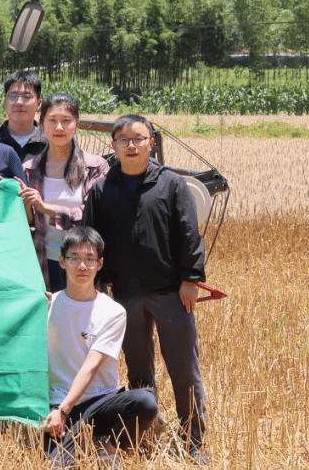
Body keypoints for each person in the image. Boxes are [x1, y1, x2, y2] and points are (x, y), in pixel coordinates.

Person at [83, 114, 209, 464]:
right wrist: (96, 287)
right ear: (113, 145)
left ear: (151, 143)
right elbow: (93, 239)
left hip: (171, 292)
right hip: (125, 295)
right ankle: (145, 436)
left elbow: (189, 233)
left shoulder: (172, 184)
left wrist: (190, 279)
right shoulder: (102, 189)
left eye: (138, 138)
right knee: (139, 374)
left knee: (184, 371)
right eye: (123, 140)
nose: (131, 145)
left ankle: (194, 441)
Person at [43, 227, 158, 468]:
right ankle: (86, 441)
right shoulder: (48, 306)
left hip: (102, 401)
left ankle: (108, 444)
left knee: (145, 402)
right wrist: (60, 411)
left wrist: (63, 410)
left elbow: (91, 366)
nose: (82, 266)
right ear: (62, 261)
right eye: (74, 258)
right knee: (57, 465)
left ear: (100, 264)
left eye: (89, 259)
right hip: (60, 402)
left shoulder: (113, 312)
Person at [20, 93, 109, 292]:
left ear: (76, 123)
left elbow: (94, 216)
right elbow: (28, 224)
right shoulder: (29, 169)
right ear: (42, 124)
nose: (59, 127)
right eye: (52, 120)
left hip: (84, 265)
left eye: (66, 121)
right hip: (43, 262)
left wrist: (48, 209)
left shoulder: (95, 167)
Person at [0, 70, 45, 162]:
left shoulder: (49, 143)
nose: (19, 102)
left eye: (26, 97)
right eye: (13, 96)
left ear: (38, 103)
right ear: (5, 102)